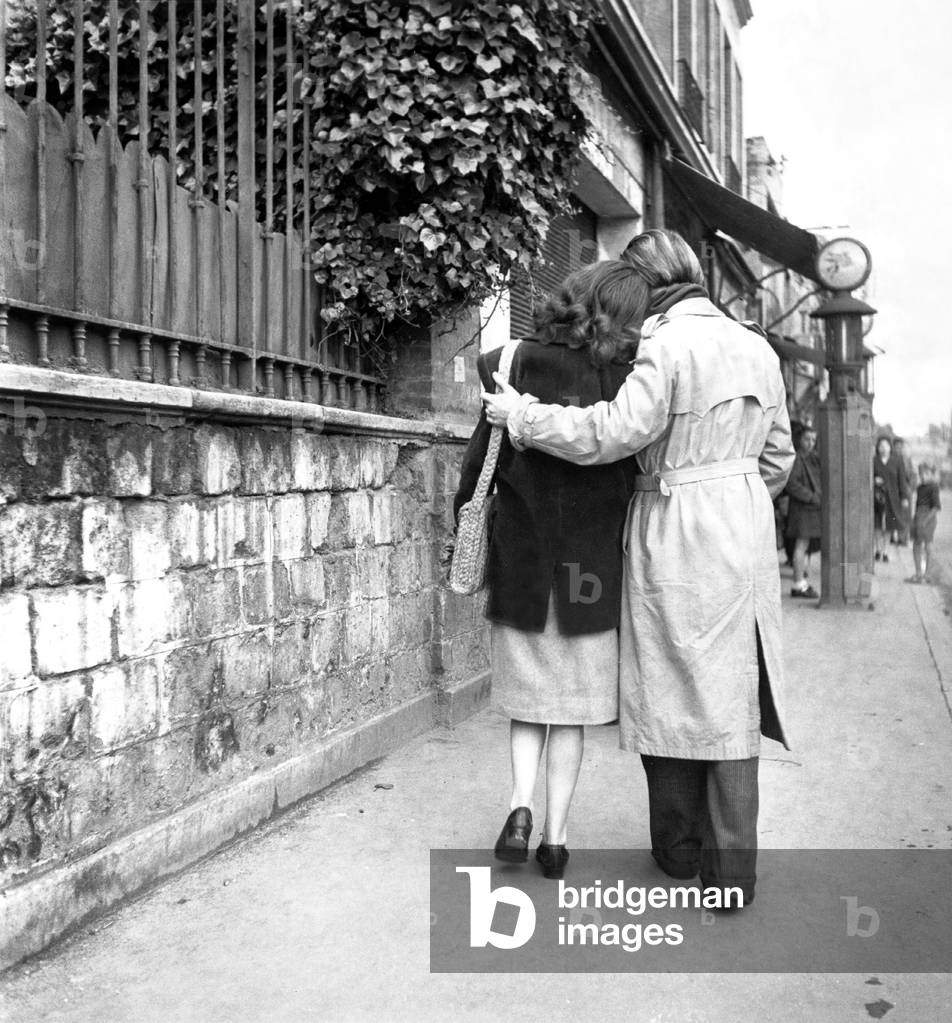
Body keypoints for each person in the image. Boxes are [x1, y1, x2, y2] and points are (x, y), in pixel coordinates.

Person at [483, 229, 795, 906]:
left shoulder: (665, 342)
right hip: (743, 526)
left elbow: (612, 433)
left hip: (674, 520)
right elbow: (780, 459)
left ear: (648, 284)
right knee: (733, 695)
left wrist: (524, 417)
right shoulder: (757, 346)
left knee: (670, 683)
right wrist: (734, 497)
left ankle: (679, 853)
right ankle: (733, 876)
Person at [452, 261, 642, 880]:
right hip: (591, 565)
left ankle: (519, 807)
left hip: (523, 555)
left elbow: (479, 463)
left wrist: (465, 523)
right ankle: (556, 842)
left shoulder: (508, 363)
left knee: (528, 704)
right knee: (571, 712)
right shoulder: (628, 377)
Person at [784, 425, 822, 598]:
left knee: (804, 546)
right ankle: (798, 583)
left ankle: (801, 581)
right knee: (801, 546)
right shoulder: (797, 459)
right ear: (799, 440)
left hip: (808, 509)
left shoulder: (811, 458)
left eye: (813, 440)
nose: (811, 443)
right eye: (807, 439)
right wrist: (811, 497)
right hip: (802, 509)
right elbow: (791, 484)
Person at [873, 435, 909, 562]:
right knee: (877, 525)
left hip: (892, 498)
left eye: (886, 445)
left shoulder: (897, 461)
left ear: (890, 447)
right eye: (880, 446)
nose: (883, 448)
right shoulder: (874, 461)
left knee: (889, 525)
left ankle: (885, 551)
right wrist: (874, 481)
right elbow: (867, 478)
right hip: (877, 498)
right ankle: (877, 550)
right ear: (877, 447)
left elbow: (902, 481)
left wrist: (904, 497)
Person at [909, 463, 941, 583]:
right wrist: (916, 518)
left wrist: (926, 520)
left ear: (931, 474)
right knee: (916, 544)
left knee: (928, 545)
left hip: (929, 516)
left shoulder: (934, 487)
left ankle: (928, 574)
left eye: (926, 474)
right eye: (921, 474)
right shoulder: (919, 487)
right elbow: (917, 503)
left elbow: (936, 507)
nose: (923, 477)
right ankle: (918, 573)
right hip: (918, 515)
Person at [893, 437, 917, 545]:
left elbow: (913, 476)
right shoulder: (891, 459)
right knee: (894, 515)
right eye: (896, 447)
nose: (899, 449)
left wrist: (909, 489)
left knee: (905, 516)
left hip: (905, 492)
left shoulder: (907, 460)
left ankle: (903, 538)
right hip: (894, 491)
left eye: (901, 447)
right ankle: (893, 537)